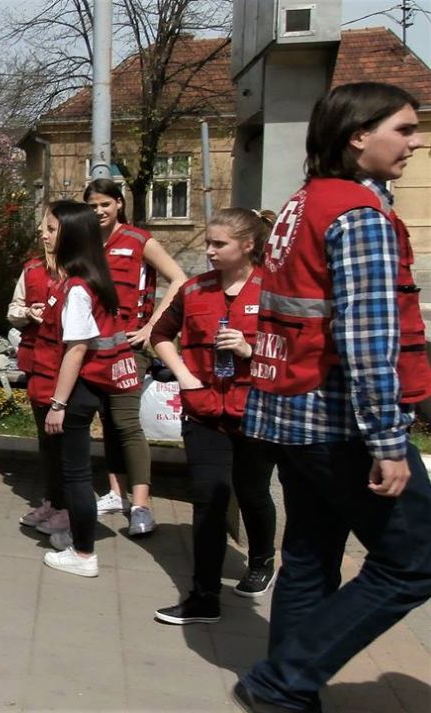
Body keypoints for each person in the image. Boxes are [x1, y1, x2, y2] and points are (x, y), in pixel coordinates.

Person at [233, 82, 431, 713]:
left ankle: (288, 694)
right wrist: (389, 443)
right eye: (402, 129)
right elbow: (368, 339)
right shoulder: (359, 216)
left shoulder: (303, 204)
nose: (415, 141)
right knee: (415, 561)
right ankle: (285, 678)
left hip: (289, 412)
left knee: (310, 559)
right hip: (337, 420)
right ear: (357, 136)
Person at [149, 208, 278, 625]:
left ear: (248, 245)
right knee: (209, 499)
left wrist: (249, 350)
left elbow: (297, 351)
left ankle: (261, 558)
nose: (209, 251)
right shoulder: (194, 290)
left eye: (218, 244)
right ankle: (203, 597)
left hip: (255, 412)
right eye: (208, 242)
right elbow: (160, 336)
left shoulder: (274, 290)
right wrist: (185, 376)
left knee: (252, 492)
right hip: (204, 412)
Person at [27, 200, 140, 577]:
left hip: (77, 392)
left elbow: (76, 349)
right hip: (85, 390)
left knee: (75, 475)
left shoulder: (76, 288)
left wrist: (58, 402)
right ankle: (77, 541)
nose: (44, 234)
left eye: (52, 228)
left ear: (72, 235)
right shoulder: (90, 279)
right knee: (74, 472)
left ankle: (83, 552)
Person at [83, 179, 187, 536]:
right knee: (108, 420)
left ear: (119, 204)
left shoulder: (140, 240)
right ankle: (116, 493)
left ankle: (142, 505)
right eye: (93, 205)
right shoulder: (87, 243)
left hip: (128, 346)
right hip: (95, 345)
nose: (99, 211)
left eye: (105, 205)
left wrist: (152, 328)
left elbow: (179, 280)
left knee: (126, 421)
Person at [8, 224, 66, 534]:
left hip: (68, 369)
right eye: (42, 229)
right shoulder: (31, 269)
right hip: (38, 365)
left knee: (66, 443)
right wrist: (27, 313)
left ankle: (67, 510)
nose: (43, 235)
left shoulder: (81, 274)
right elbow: (13, 310)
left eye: (51, 229)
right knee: (47, 441)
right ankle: (54, 501)